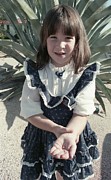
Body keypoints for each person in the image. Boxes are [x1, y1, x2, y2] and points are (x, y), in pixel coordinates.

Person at [20, 4, 100, 180]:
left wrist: (68, 134)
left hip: (73, 133)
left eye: (68, 37)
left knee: (69, 170)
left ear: (77, 41)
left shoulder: (84, 75)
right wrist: (55, 129)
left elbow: (81, 113)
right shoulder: (36, 73)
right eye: (53, 37)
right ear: (44, 40)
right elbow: (30, 111)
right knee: (44, 173)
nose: (60, 45)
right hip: (42, 132)